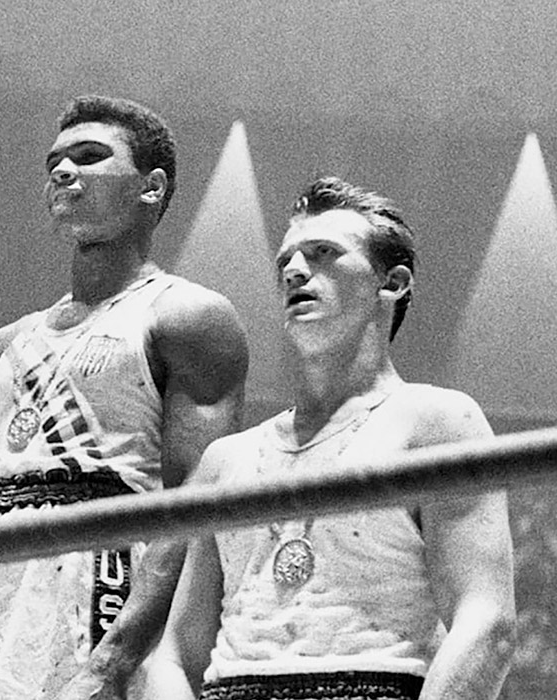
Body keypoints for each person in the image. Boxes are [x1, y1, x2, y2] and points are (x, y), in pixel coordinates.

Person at [0, 95, 248, 700]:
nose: (63, 171)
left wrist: (116, 658)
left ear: (151, 187)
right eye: (55, 161)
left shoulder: (187, 316)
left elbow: (194, 506)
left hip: (96, 575)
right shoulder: (7, 342)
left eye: (90, 156)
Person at [152, 176, 516, 700]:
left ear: (391, 283)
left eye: (323, 253)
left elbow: (486, 622)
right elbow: (173, 656)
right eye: (286, 260)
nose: (295, 270)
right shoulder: (225, 460)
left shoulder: (434, 424)